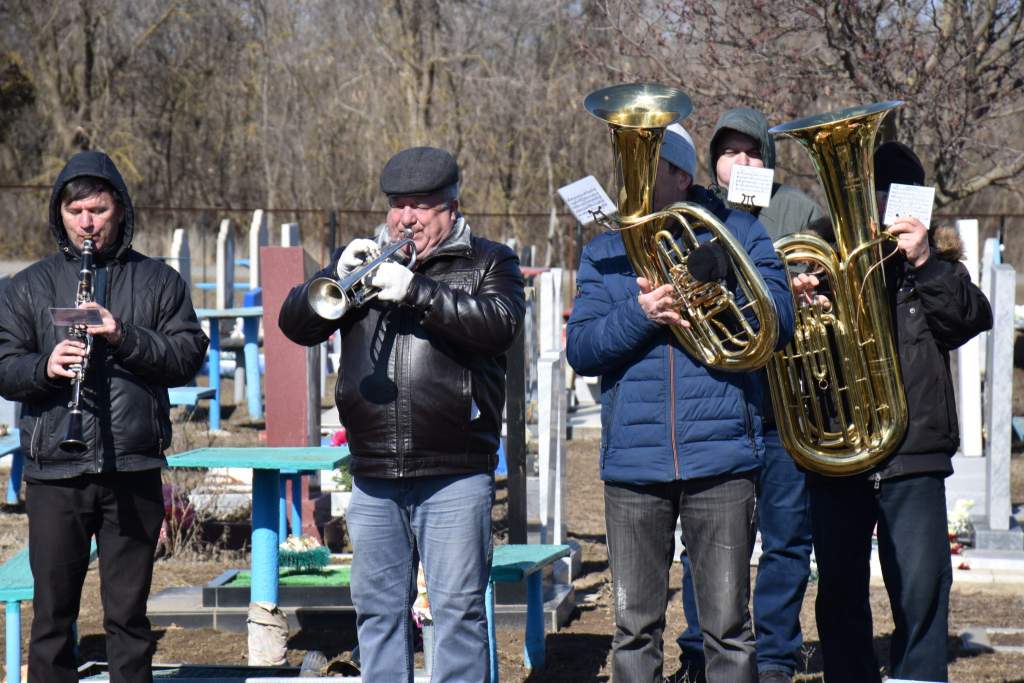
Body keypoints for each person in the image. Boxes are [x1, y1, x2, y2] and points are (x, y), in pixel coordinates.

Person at [278, 146, 526, 682]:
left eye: (420, 206)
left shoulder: (489, 261)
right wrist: (334, 272)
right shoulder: (368, 265)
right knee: (377, 614)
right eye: (397, 205)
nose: (405, 219)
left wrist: (417, 291)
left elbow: (499, 326)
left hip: (455, 469)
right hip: (373, 473)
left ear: (451, 207)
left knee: (457, 614)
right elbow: (297, 325)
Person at [567, 123, 795, 683]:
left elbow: (780, 321)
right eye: (630, 168)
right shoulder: (604, 250)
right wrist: (641, 316)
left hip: (720, 463)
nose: (633, 182)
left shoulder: (739, 231)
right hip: (633, 466)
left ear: (681, 174)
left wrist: (729, 279)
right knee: (634, 632)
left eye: (649, 168)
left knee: (729, 633)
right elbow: (583, 348)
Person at [0, 151, 209, 683]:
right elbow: (4, 367)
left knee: (129, 620)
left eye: (97, 209)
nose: (86, 223)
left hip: (131, 466)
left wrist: (122, 335)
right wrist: (45, 366)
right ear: (60, 214)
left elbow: (187, 357)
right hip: (54, 471)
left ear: (119, 208)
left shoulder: (159, 281)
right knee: (52, 620)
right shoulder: (27, 287)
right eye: (76, 212)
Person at [807, 142, 992, 682]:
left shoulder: (938, 266)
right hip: (840, 451)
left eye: (898, 195)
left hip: (912, 453)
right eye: (877, 193)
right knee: (839, 592)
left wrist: (922, 260)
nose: (885, 206)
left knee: (920, 589)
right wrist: (803, 298)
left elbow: (968, 318)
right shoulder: (822, 258)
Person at [675, 107, 826, 683]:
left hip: (787, 403)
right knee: (706, 543)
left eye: (752, 151)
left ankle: (777, 657)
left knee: (788, 540)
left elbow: (826, 281)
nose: (740, 162)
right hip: (721, 404)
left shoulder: (800, 210)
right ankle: (699, 650)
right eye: (729, 151)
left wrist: (813, 288)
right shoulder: (697, 210)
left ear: (768, 158)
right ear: (713, 160)